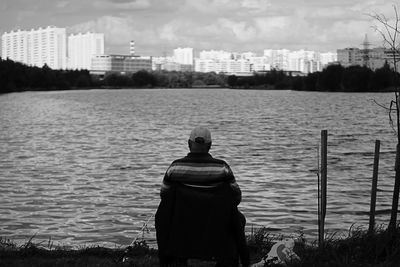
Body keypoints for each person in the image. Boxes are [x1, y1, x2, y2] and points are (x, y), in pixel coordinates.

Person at [155, 126, 250, 267]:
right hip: (215, 224)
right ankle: (235, 260)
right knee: (239, 218)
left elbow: (165, 197)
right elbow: (236, 198)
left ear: (189, 144)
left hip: (182, 225)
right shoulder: (222, 168)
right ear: (210, 146)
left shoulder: (175, 168)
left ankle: (168, 260)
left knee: (161, 217)